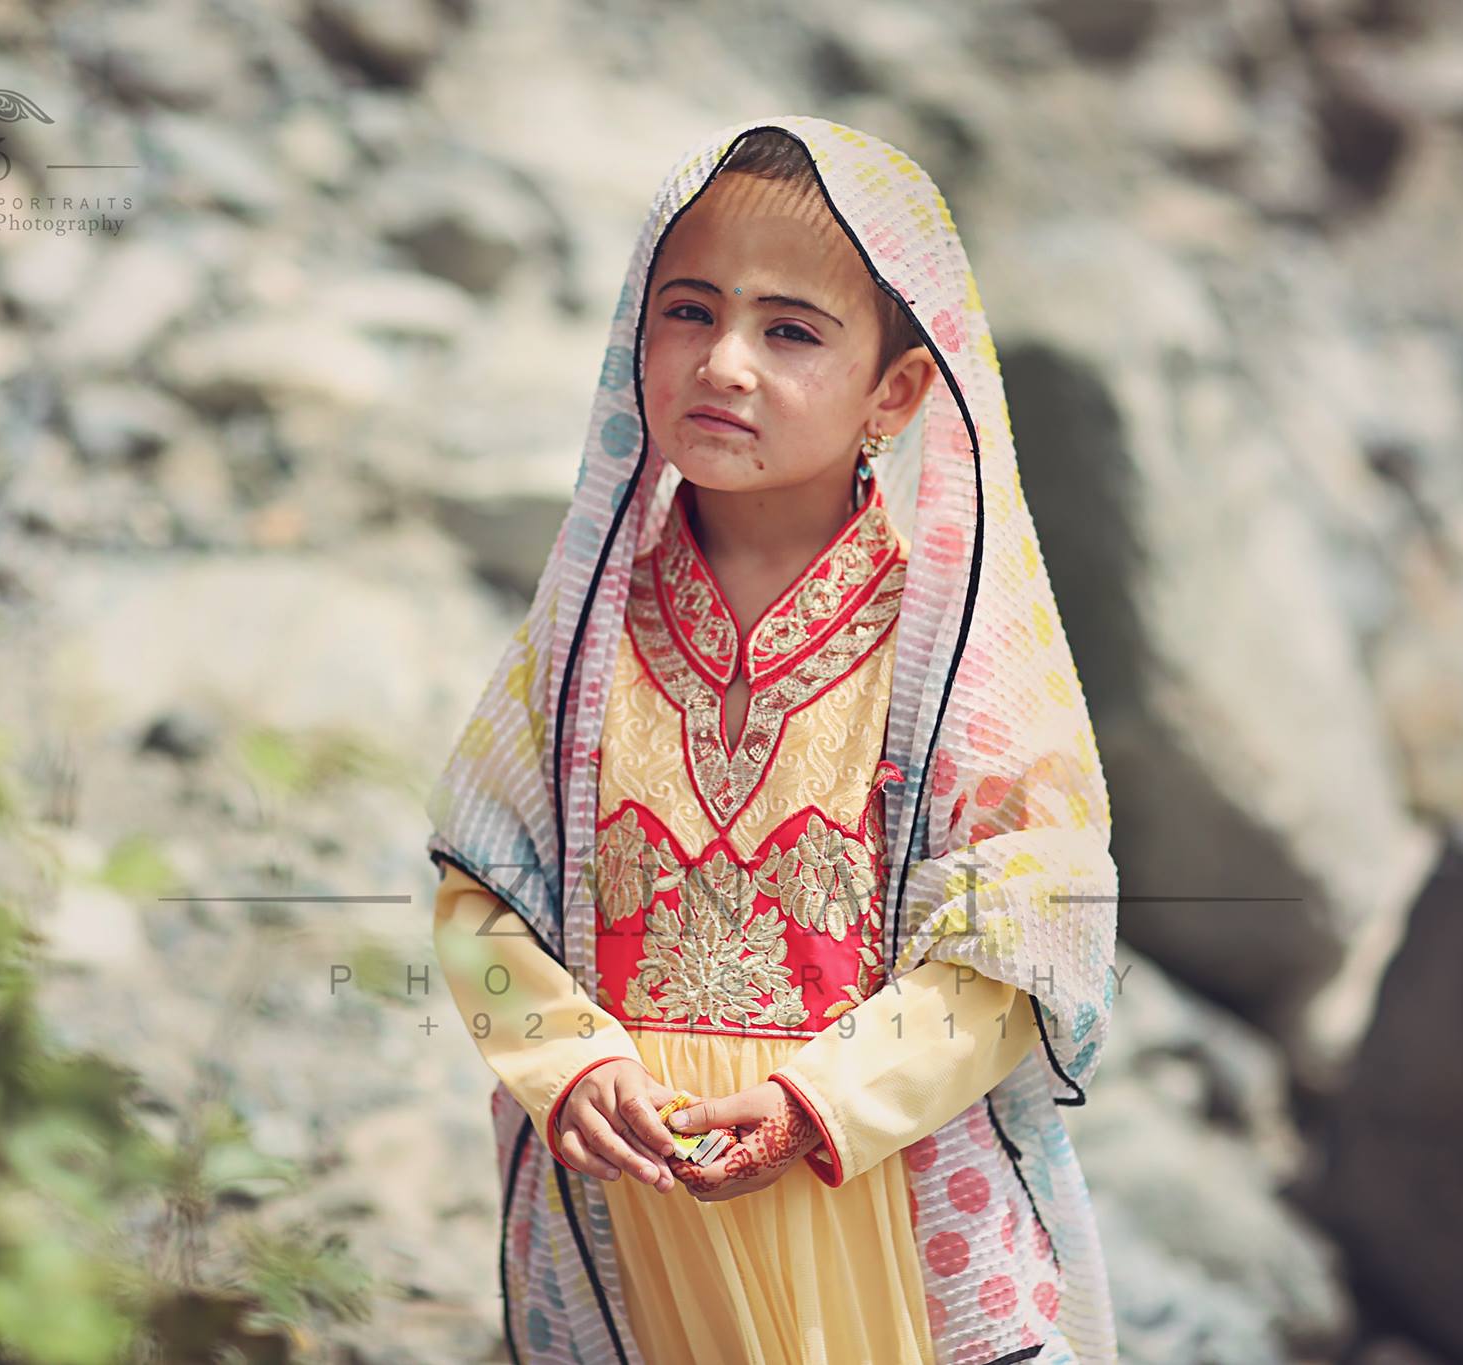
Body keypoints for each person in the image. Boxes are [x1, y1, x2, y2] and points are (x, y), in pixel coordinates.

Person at [425, 115, 1121, 1365]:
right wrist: (564, 1061)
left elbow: (1023, 955)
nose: (723, 363)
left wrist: (820, 1103)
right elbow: (477, 901)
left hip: (874, 1202)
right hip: (635, 1208)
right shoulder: (579, 641)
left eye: (789, 331)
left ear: (896, 394)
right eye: (688, 312)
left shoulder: (951, 661)